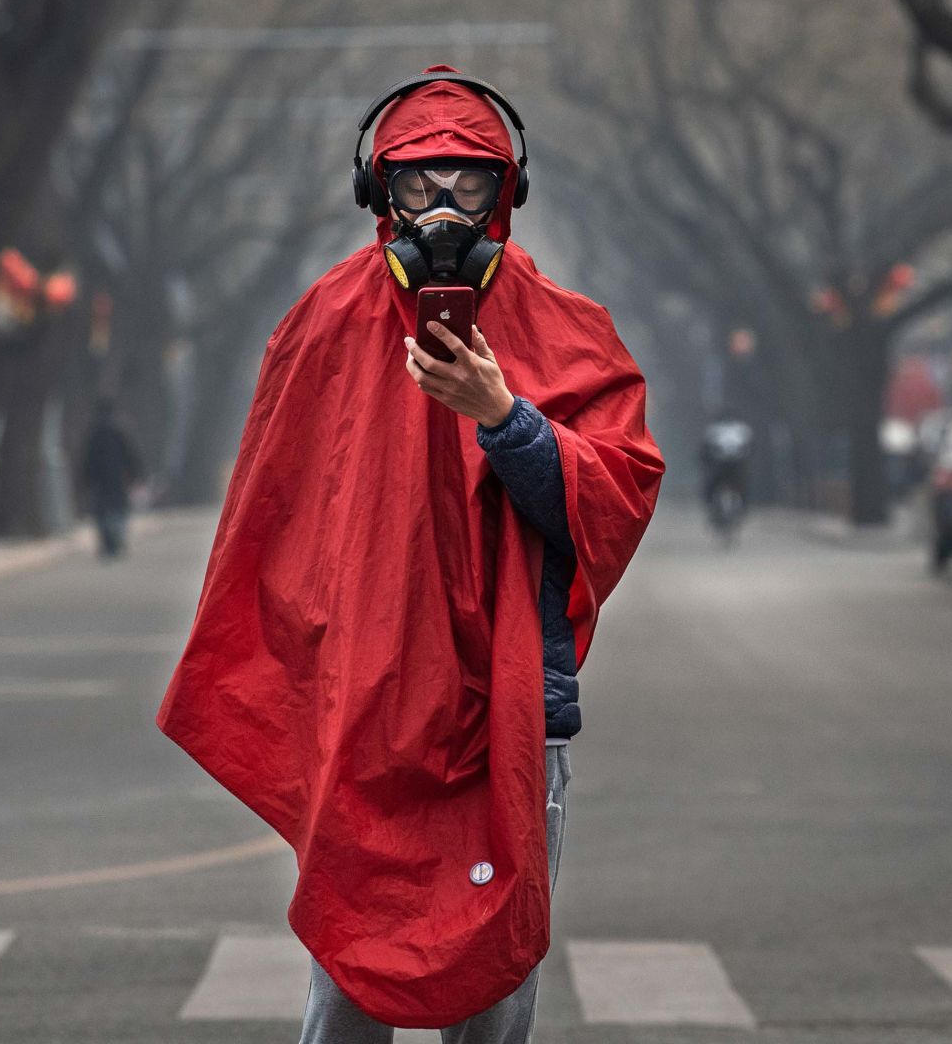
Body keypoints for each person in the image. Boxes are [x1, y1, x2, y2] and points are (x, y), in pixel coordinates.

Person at [156, 66, 665, 1041]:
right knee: (349, 970)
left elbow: (616, 496)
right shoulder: (322, 325)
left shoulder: (567, 330)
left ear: (506, 193)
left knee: (496, 976)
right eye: (418, 181)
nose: (441, 205)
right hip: (363, 709)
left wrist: (504, 419)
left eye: (467, 181)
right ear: (377, 193)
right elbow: (275, 528)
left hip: (512, 713)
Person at [79, 396, 144, 559]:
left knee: (102, 512)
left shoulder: (94, 433)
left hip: (100, 480)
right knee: (119, 509)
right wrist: (136, 474)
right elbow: (131, 455)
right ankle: (117, 538)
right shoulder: (120, 431)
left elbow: (87, 459)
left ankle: (107, 543)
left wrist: (86, 479)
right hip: (118, 478)